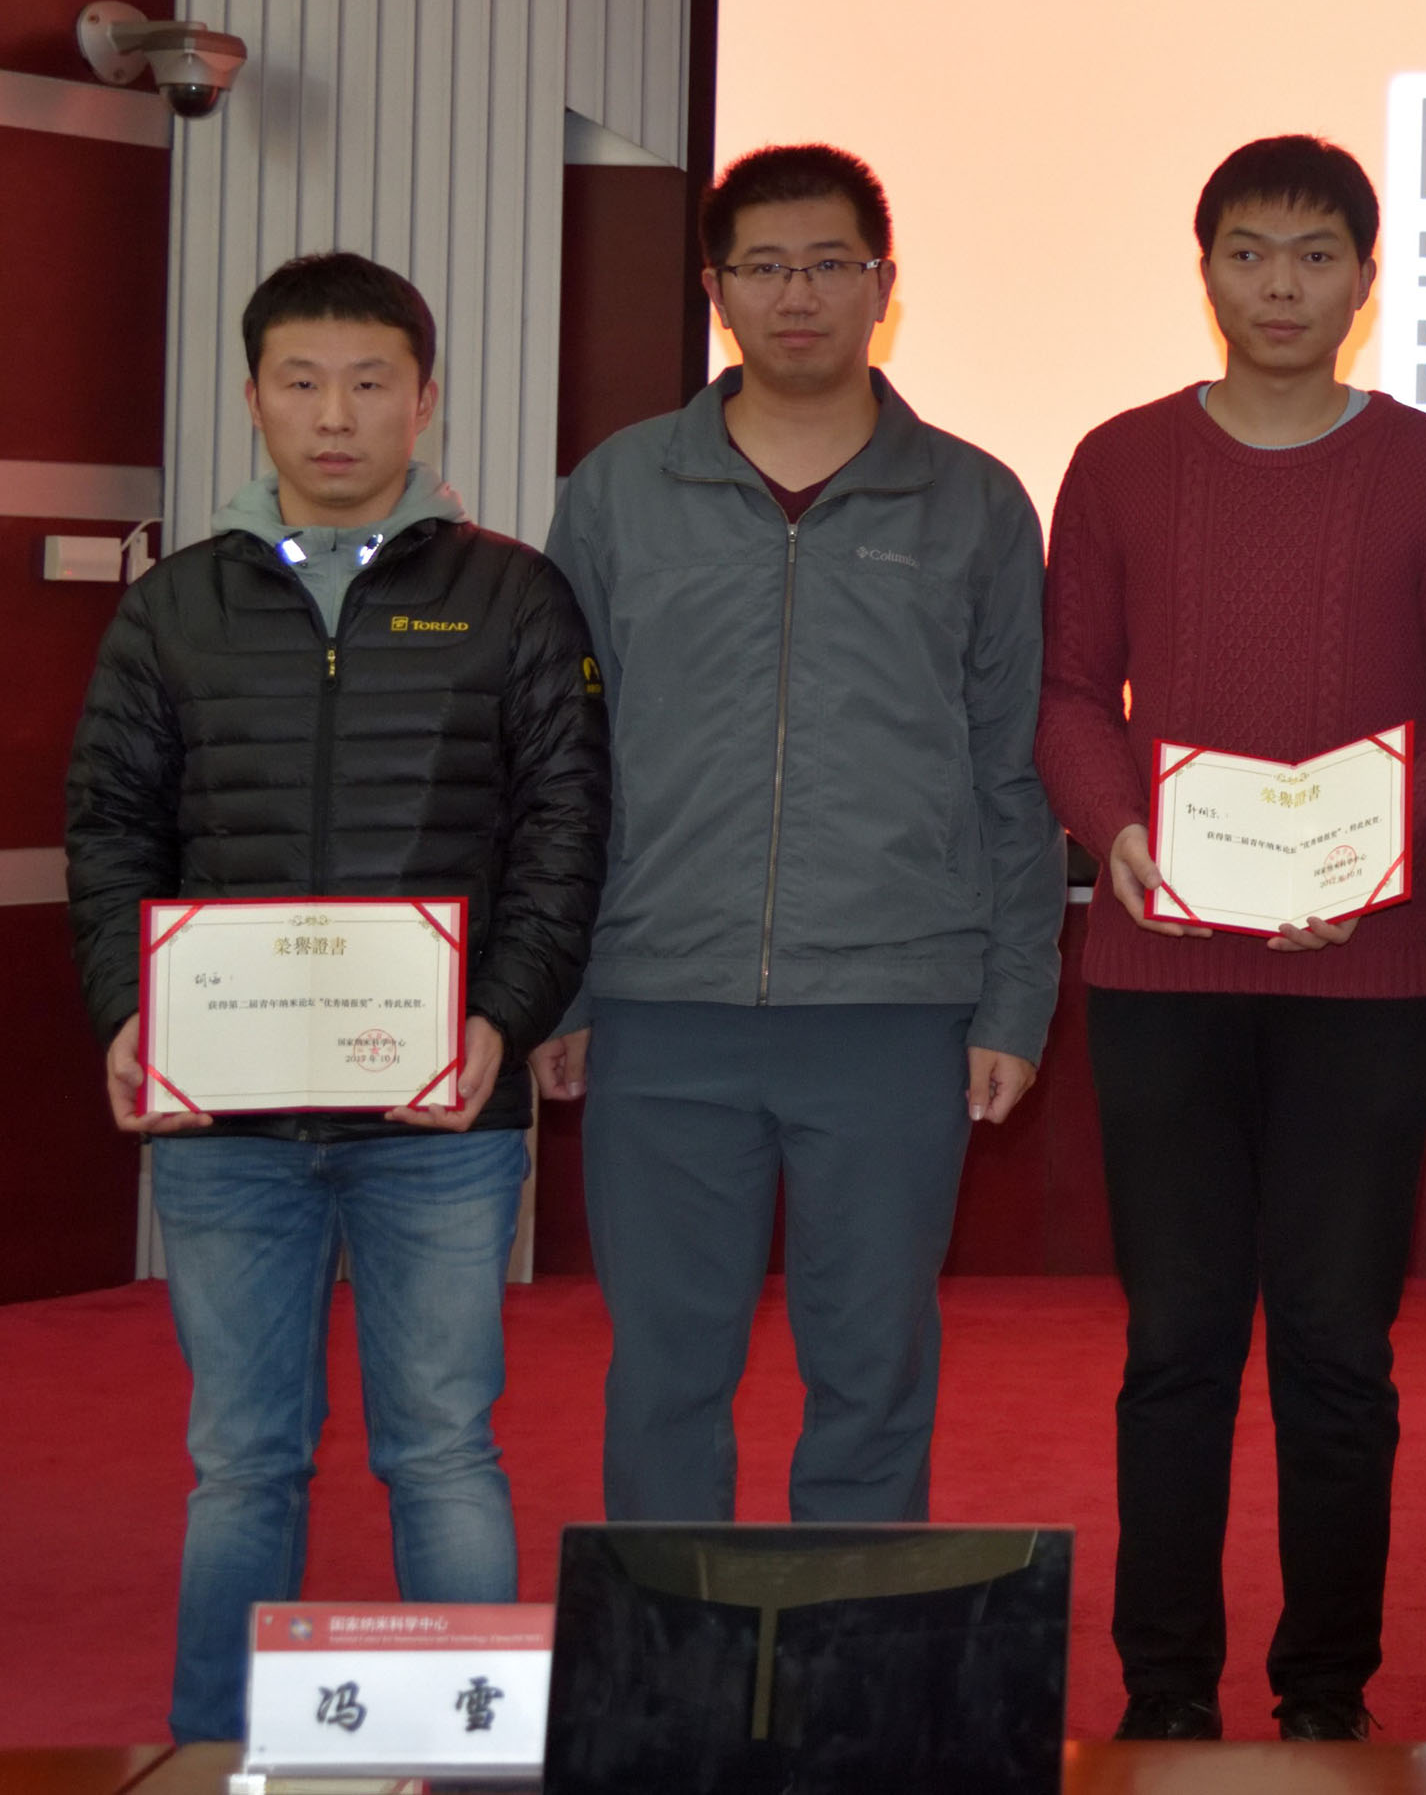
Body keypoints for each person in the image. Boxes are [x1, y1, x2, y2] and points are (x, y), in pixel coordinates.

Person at [65, 254, 609, 1740]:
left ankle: (471, 1759)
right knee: (243, 1460)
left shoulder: (512, 595)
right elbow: (110, 827)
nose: (334, 415)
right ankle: (216, 1753)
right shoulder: (173, 606)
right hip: (227, 1122)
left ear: (423, 401)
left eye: (370, 383)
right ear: (254, 399)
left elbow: (564, 832)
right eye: (301, 382)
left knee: (442, 1450)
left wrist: (504, 1015)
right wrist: (127, 1008)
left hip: (441, 1113)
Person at [1036, 136, 1426, 1741]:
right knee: (1174, 1343)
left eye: (1316, 255)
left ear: (1366, 278)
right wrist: (1115, 829)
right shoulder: (1117, 461)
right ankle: (1164, 1692)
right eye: (1250, 251)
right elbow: (1067, 691)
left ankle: (1324, 1694)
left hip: (1366, 978)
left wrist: (1379, 854)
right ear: (1206, 269)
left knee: (1335, 1346)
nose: (1282, 285)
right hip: (1160, 968)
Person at [537, 143, 1061, 1525]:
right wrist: (561, 985)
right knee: (665, 1370)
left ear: (885, 286)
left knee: (873, 1370)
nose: (799, 295)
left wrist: (1015, 1000)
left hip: (896, 1009)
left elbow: (1012, 775)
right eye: (764, 268)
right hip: (662, 1002)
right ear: (715, 291)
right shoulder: (617, 492)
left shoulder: (974, 502)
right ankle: (674, 1653)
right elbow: (560, 764)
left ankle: (854, 1654)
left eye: (831, 264)